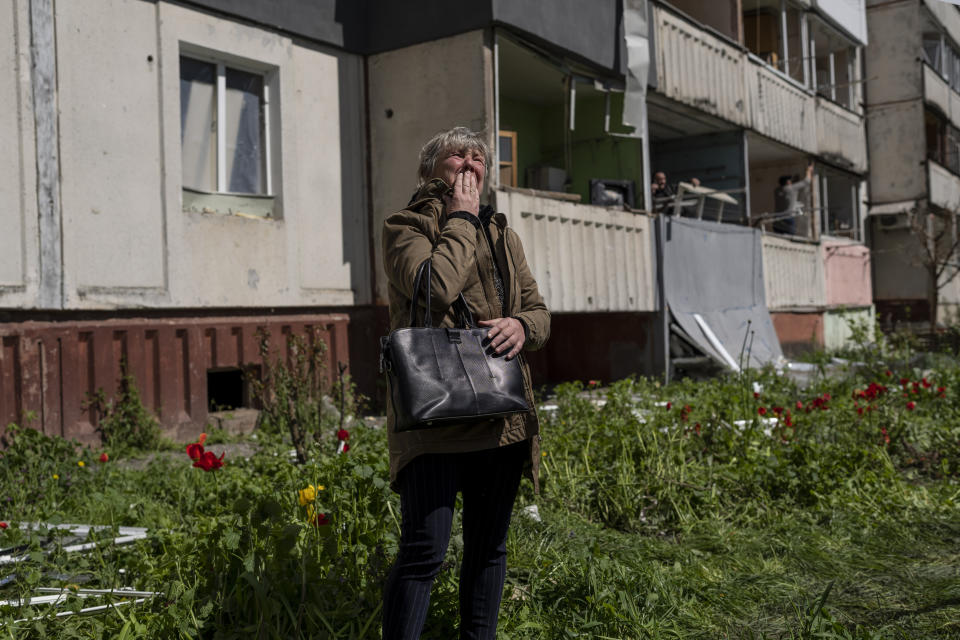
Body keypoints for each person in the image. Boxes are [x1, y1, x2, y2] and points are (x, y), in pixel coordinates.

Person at [380, 126, 550, 639]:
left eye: (479, 157)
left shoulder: (503, 234)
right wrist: (459, 218)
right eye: (458, 155)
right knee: (423, 553)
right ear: (431, 168)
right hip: (434, 419)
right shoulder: (404, 226)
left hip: (500, 419)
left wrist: (521, 326)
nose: (471, 162)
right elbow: (432, 289)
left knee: (488, 549)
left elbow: (538, 313)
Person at [772, 161, 814, 235]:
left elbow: (787, 188)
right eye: (790, 181)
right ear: (788, 182)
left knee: (778, 238)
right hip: (788, 218)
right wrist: (809, 170)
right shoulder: (792, 189)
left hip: (777, 219)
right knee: (790, 239)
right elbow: (807, 181)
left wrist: (794, 181)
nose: (791, 182)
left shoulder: (776, 190)